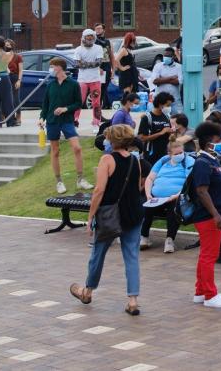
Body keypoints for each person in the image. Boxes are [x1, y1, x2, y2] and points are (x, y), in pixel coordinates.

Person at [68, 124, 144, 315]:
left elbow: (99, 190)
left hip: (110, 215)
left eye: (108, 138)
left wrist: (91, 215)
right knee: (132, 257)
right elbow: (138, 187)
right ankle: (133, 300)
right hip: (134, 213)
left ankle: (87, 291)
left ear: (114, 140)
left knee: (98, 254)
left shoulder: (107, 159)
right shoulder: (136, 161)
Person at [189, 121, 221, 308]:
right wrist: (215, 215)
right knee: (209, 256)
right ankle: (210, 295)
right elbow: (201, 191)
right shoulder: (202, 163)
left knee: (205, 254)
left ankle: (200, 291)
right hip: (209, 217)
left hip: (213, 214)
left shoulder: (211, 160)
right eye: (218, 139)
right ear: (209, 142)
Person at [39, 56, 91, 195]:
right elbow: (45, 105)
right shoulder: (50, 84)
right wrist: (41, 118)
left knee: (77, 148)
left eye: (52, 66)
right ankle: (59, 181)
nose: (50, 69)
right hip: (52, 121)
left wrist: (65, 109)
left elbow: (78, 103)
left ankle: (80, 179)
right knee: (55, 151)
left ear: (60, 67)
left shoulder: (73, 84)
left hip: (67, 120)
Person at [141, 138, 193, 254]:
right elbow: (150, 178)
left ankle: (169, 240)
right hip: (157, 197)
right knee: (147, 207)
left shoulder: (188, 161)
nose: (180, 155)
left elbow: (188, 183)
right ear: (169, 154)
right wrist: (148, 194)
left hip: (177, 197)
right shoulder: (163, 160)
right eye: (176, 153)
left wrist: (176, 195)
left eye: (181, 152)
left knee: (173, 209)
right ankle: (144, 237)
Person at [72, 28, 107, 128]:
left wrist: (84, 63)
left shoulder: (98, 48)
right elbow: (76, 64)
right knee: (79, 101)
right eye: (88, 37)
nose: (90, 39)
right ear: (84, 37)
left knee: (96, 102)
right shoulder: (78, 49)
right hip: (82, 80)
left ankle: (96, 122)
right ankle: (75, 120)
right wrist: (91, 64)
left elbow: (99, 62)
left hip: (95, 79)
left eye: (92, 37)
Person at [138, 91, 175, 166]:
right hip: (151, 154)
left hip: (165, 153)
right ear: (160, 104)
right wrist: (161, 133)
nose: (169, 107)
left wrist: (172, 133)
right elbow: (142, 138)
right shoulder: (147, 118)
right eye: (167, 105)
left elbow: (169, 134)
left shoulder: (167, 117)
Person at [113, 32, 140, 99]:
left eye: (134, 41)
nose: (134, 43)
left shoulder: (129, 50)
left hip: (132, 73)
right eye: (132, 41)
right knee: (127, 94)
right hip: (126, 74)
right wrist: (121, 68)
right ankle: (125, 107)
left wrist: (137, 72)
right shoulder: (124, 50)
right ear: (128, 41)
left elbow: (132, 62)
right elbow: (116, 60)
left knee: (132, 94)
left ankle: (130, 107)